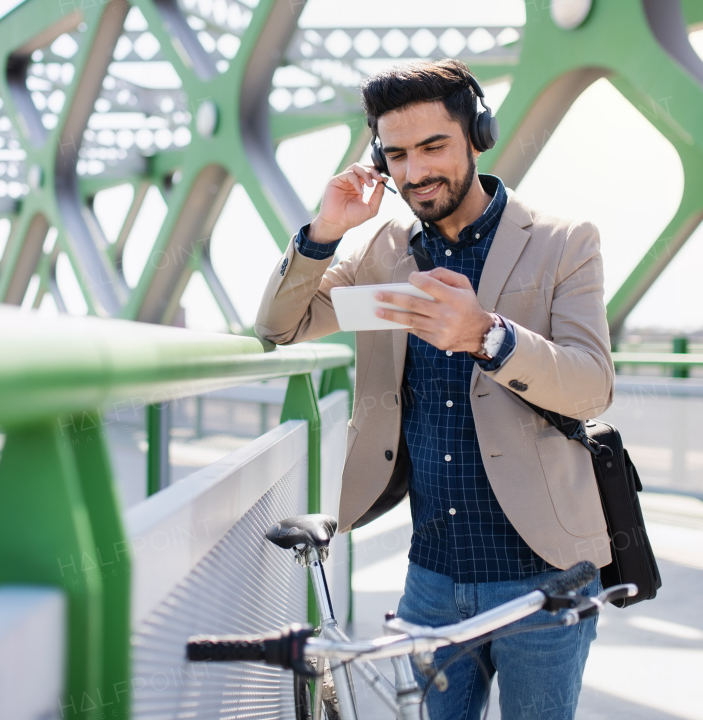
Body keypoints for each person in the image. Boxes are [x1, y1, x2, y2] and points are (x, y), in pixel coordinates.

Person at [255, 58, 614, 719]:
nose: (415, 171)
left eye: (432, 147)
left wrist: (489, 337)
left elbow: (592, 388)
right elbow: (281, 326)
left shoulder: (563, 244)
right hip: (432, 578)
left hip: (545, 576)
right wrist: (326, 231)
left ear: (478, 134)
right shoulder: (381, 254)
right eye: (396, 155)